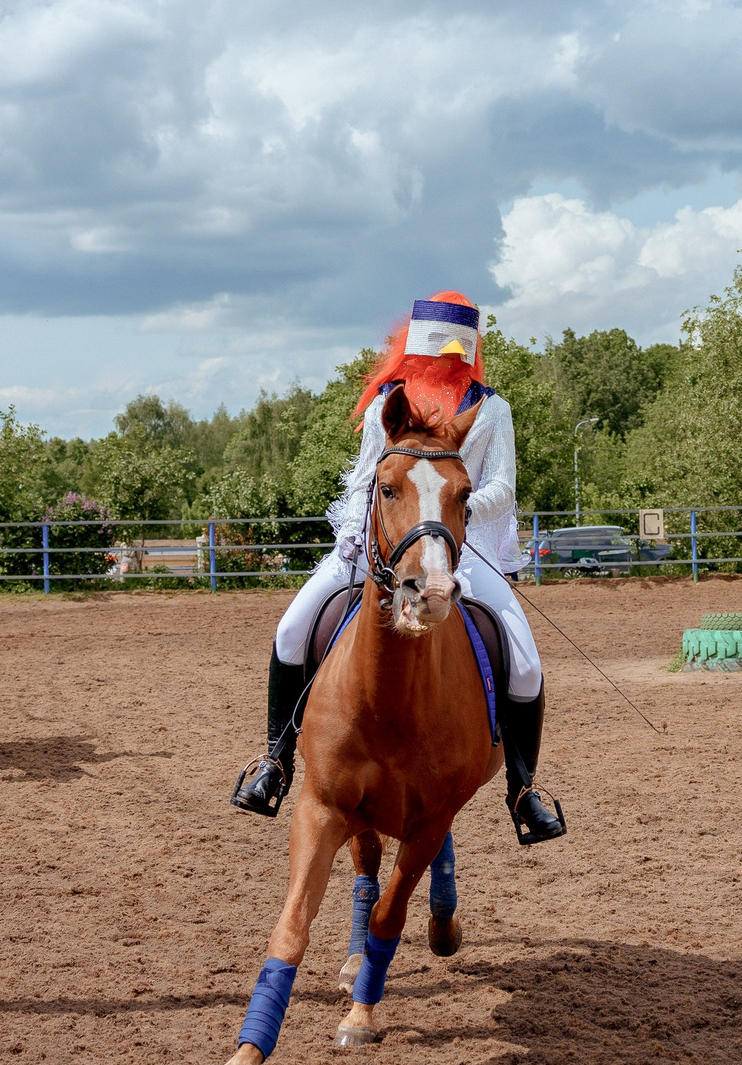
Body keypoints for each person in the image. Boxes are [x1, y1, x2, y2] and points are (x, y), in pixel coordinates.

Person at [229, 291, 566, 846]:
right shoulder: (388, 402)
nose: (450, 359)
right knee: (292, 629)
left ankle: (524, 790)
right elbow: (366, 477)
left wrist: (448, 511)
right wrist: (361, 536)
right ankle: (276, 761)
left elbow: (503, 489)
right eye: (442, 348)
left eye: (460, 350)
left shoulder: (493, 408)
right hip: (381, 540)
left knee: (525, 664)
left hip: (464, 545)